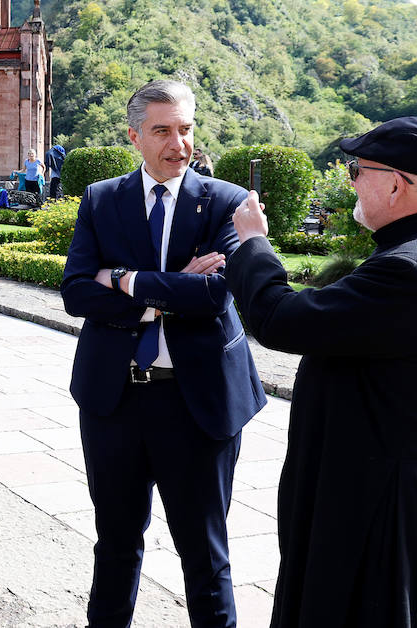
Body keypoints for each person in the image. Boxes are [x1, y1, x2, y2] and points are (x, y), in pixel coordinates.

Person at [226, 116, 417, 628]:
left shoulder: (412, 268)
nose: (351, 179)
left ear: (396, 184)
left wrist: (252, 243)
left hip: (389, 506)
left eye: (358, 169)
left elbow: (280, 320)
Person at [60, 79, 265, 628]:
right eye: (163, 131)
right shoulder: (102, 199)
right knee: (116, 544)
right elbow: (76, 291)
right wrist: (169, 288)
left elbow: (215, 294)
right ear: (134, 136)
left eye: (186, 128)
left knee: (204, 554)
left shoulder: (226, 202)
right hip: (115, 399)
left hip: (198, 404)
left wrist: (125, 280)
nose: (179, 143)